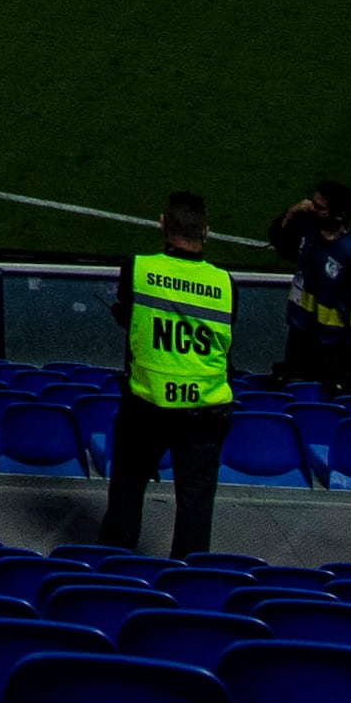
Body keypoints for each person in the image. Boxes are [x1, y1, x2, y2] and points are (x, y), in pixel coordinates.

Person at [100, 188, 236, 555]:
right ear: (205, 232)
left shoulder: (138, 268)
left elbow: (133, 316)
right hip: (206, 408)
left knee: (128, 486)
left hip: (148, 405)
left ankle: (115, 568)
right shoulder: (225, 283)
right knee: (196, 500)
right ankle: (187, 582)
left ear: (163, 225)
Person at [269, 179, 351, 390]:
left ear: (340, 214)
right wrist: (292, 211)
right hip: (300, 332)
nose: (311, 208)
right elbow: (278, 239)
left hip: (335, 346)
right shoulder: (308, 231)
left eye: (319, 207)